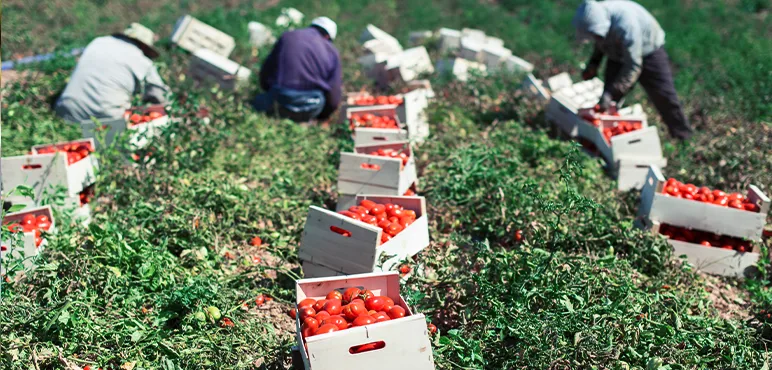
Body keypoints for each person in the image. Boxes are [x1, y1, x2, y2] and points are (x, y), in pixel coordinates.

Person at [573, 0, 694, 140]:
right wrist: (593, 64)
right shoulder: (597, 18)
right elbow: (600, 42)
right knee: (608, 103)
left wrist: (612, 92)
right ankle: (607, 140)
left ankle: (683, 137)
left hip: (648, 51)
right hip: (617, 53)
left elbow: (633, 65)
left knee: (664, 96)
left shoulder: (626, 25)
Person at [54, 23, 170, 123]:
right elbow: (160, 96)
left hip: (66, 110)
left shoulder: (98, 42)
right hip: (105, 118)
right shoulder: (142, 60)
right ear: (144, 46)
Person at [252, 17, 342, 123]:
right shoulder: (331, 51)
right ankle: (306, 120)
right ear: (327, 36)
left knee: (257, 101)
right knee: (319, 100)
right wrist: (323, 116)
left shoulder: (288, 36)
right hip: (311, 105)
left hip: (280, 100)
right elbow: (334, 97)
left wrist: (270, 91)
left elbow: (266, 72)